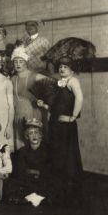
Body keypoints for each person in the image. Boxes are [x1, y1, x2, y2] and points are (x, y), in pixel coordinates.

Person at [44, 55, 83, 195]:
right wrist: (45, 105)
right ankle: (58, 184)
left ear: (72, 70)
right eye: (60, 67)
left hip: (66, 126)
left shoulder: (73, 81)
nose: (62, 69)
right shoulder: (58, 82)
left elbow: (79, 98)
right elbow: (56, 105)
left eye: (65, 67)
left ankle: (70, 186)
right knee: (56, 152)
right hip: (55, 123)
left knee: (68, 154)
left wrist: (72, 117)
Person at [4, 118, 60, 206]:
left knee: (53, 183)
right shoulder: (22, 151)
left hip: (42, 179)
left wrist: (37, 172)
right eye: (30, 133)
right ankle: (36, 198)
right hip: (28, 180)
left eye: (36, 132)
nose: (34, 136)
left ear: (40, 135)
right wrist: (29, 174)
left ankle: (32, 198)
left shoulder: (48, 150)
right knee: (10, 183)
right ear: (26, 136)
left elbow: (50, 168)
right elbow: (20, 169)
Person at [11, 46, 46, 150]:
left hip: (32, 114)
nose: (17, 64)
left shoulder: (35, 76)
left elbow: (54, 85)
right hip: (17, 115)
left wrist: (44, 101)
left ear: (26, 62)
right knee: (20, 145)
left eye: (20, 61)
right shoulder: (12, 79)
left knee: (33, 142)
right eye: (15, 62)